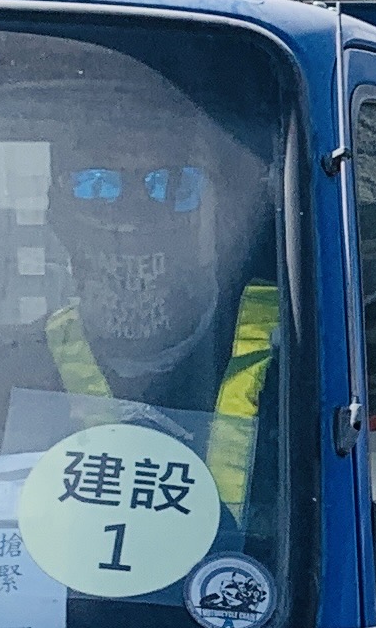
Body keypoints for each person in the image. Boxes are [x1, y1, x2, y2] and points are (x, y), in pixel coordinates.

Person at [44, 160, 285, 512]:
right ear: (59, 218)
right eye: (95, 184)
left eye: (174, 184)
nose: (132, 213)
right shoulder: (20, 366)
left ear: (221, 214)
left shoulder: (301, 342)